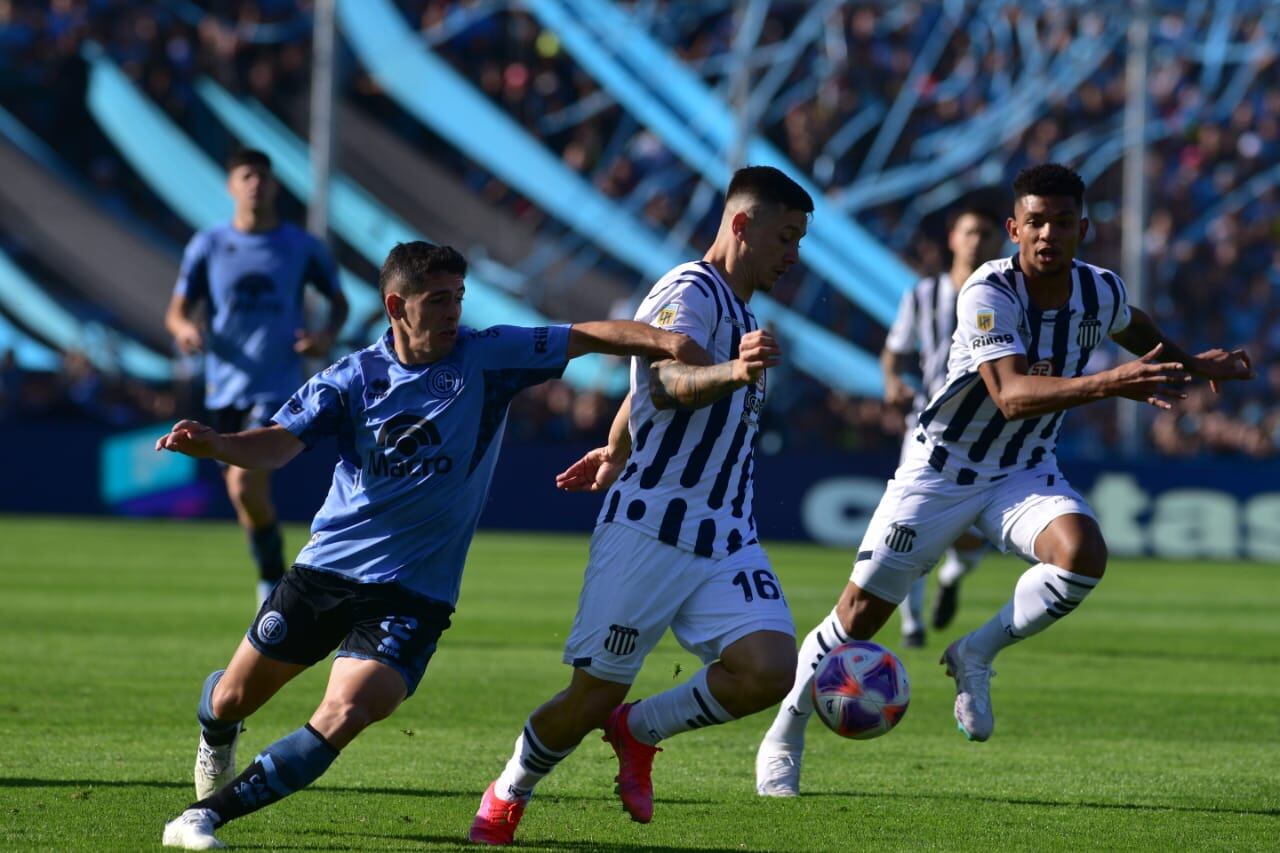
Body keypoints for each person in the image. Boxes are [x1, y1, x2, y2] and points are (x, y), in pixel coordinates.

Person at [158, 240, 704, 850]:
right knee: (232, 697)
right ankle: (216, 733)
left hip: (415, 591)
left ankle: (203, 817)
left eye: (459, 298)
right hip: (327, 572)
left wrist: (666, 341)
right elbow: (278, 445)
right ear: (397, 305)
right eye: (438, 300)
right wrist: (218, 444)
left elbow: (585, 335)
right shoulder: (352, 378)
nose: (454, 312)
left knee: (350, 710)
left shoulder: (488, 355)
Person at [755, 163, 1252, 797]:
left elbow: (1133, 324)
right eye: (1036, 222)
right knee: (858, 614)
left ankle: (975, 653)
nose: (1049, 234)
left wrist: (1188, 360)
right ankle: (785, 732)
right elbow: (1013, 396)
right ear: (1014, 229)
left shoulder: (1099, 290)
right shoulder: (987, 292)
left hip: (1022, 470)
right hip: (941, 470)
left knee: (1082, 556)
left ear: (1082, 229)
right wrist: (1111, 382)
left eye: (1063, 222)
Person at [469, 166, 811, 846]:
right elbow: (672, 377)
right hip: (652, 526)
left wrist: (617, 444)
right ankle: (510, 788)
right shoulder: (689, 291)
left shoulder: (742, 312)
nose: (792, 255)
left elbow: (640, 393)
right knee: (589, 695)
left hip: (726, 534)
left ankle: (639, 730)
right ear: (741, 224)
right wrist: (734, 372)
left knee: (771, 668)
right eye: (785, 236)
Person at [164, 148, 349, 605]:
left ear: (275, 186)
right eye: (247, 176)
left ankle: (272, 584)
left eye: (264, 177)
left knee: (246, 483)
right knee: (241, 494)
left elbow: (339, 302)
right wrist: (186, 330)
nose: (256, 184)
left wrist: (325, 336)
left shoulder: (302, 246)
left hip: (277, 384)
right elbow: (176, 312)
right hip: (223, 384)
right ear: (231, 186)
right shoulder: (208, 246)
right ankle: (271, 570)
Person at [881, 206, 1006, 648]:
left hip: (986, 434)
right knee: (906, 527)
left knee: (973, 541)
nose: (976, 241)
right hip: (926, 429)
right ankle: (912, 624)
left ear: (1000, 242)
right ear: (953, 238)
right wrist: (894, 383)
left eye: (985, 233)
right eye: (969, 231)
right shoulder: (921, 296)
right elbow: (893, 354)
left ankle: (953, 577)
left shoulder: (1009, 296)